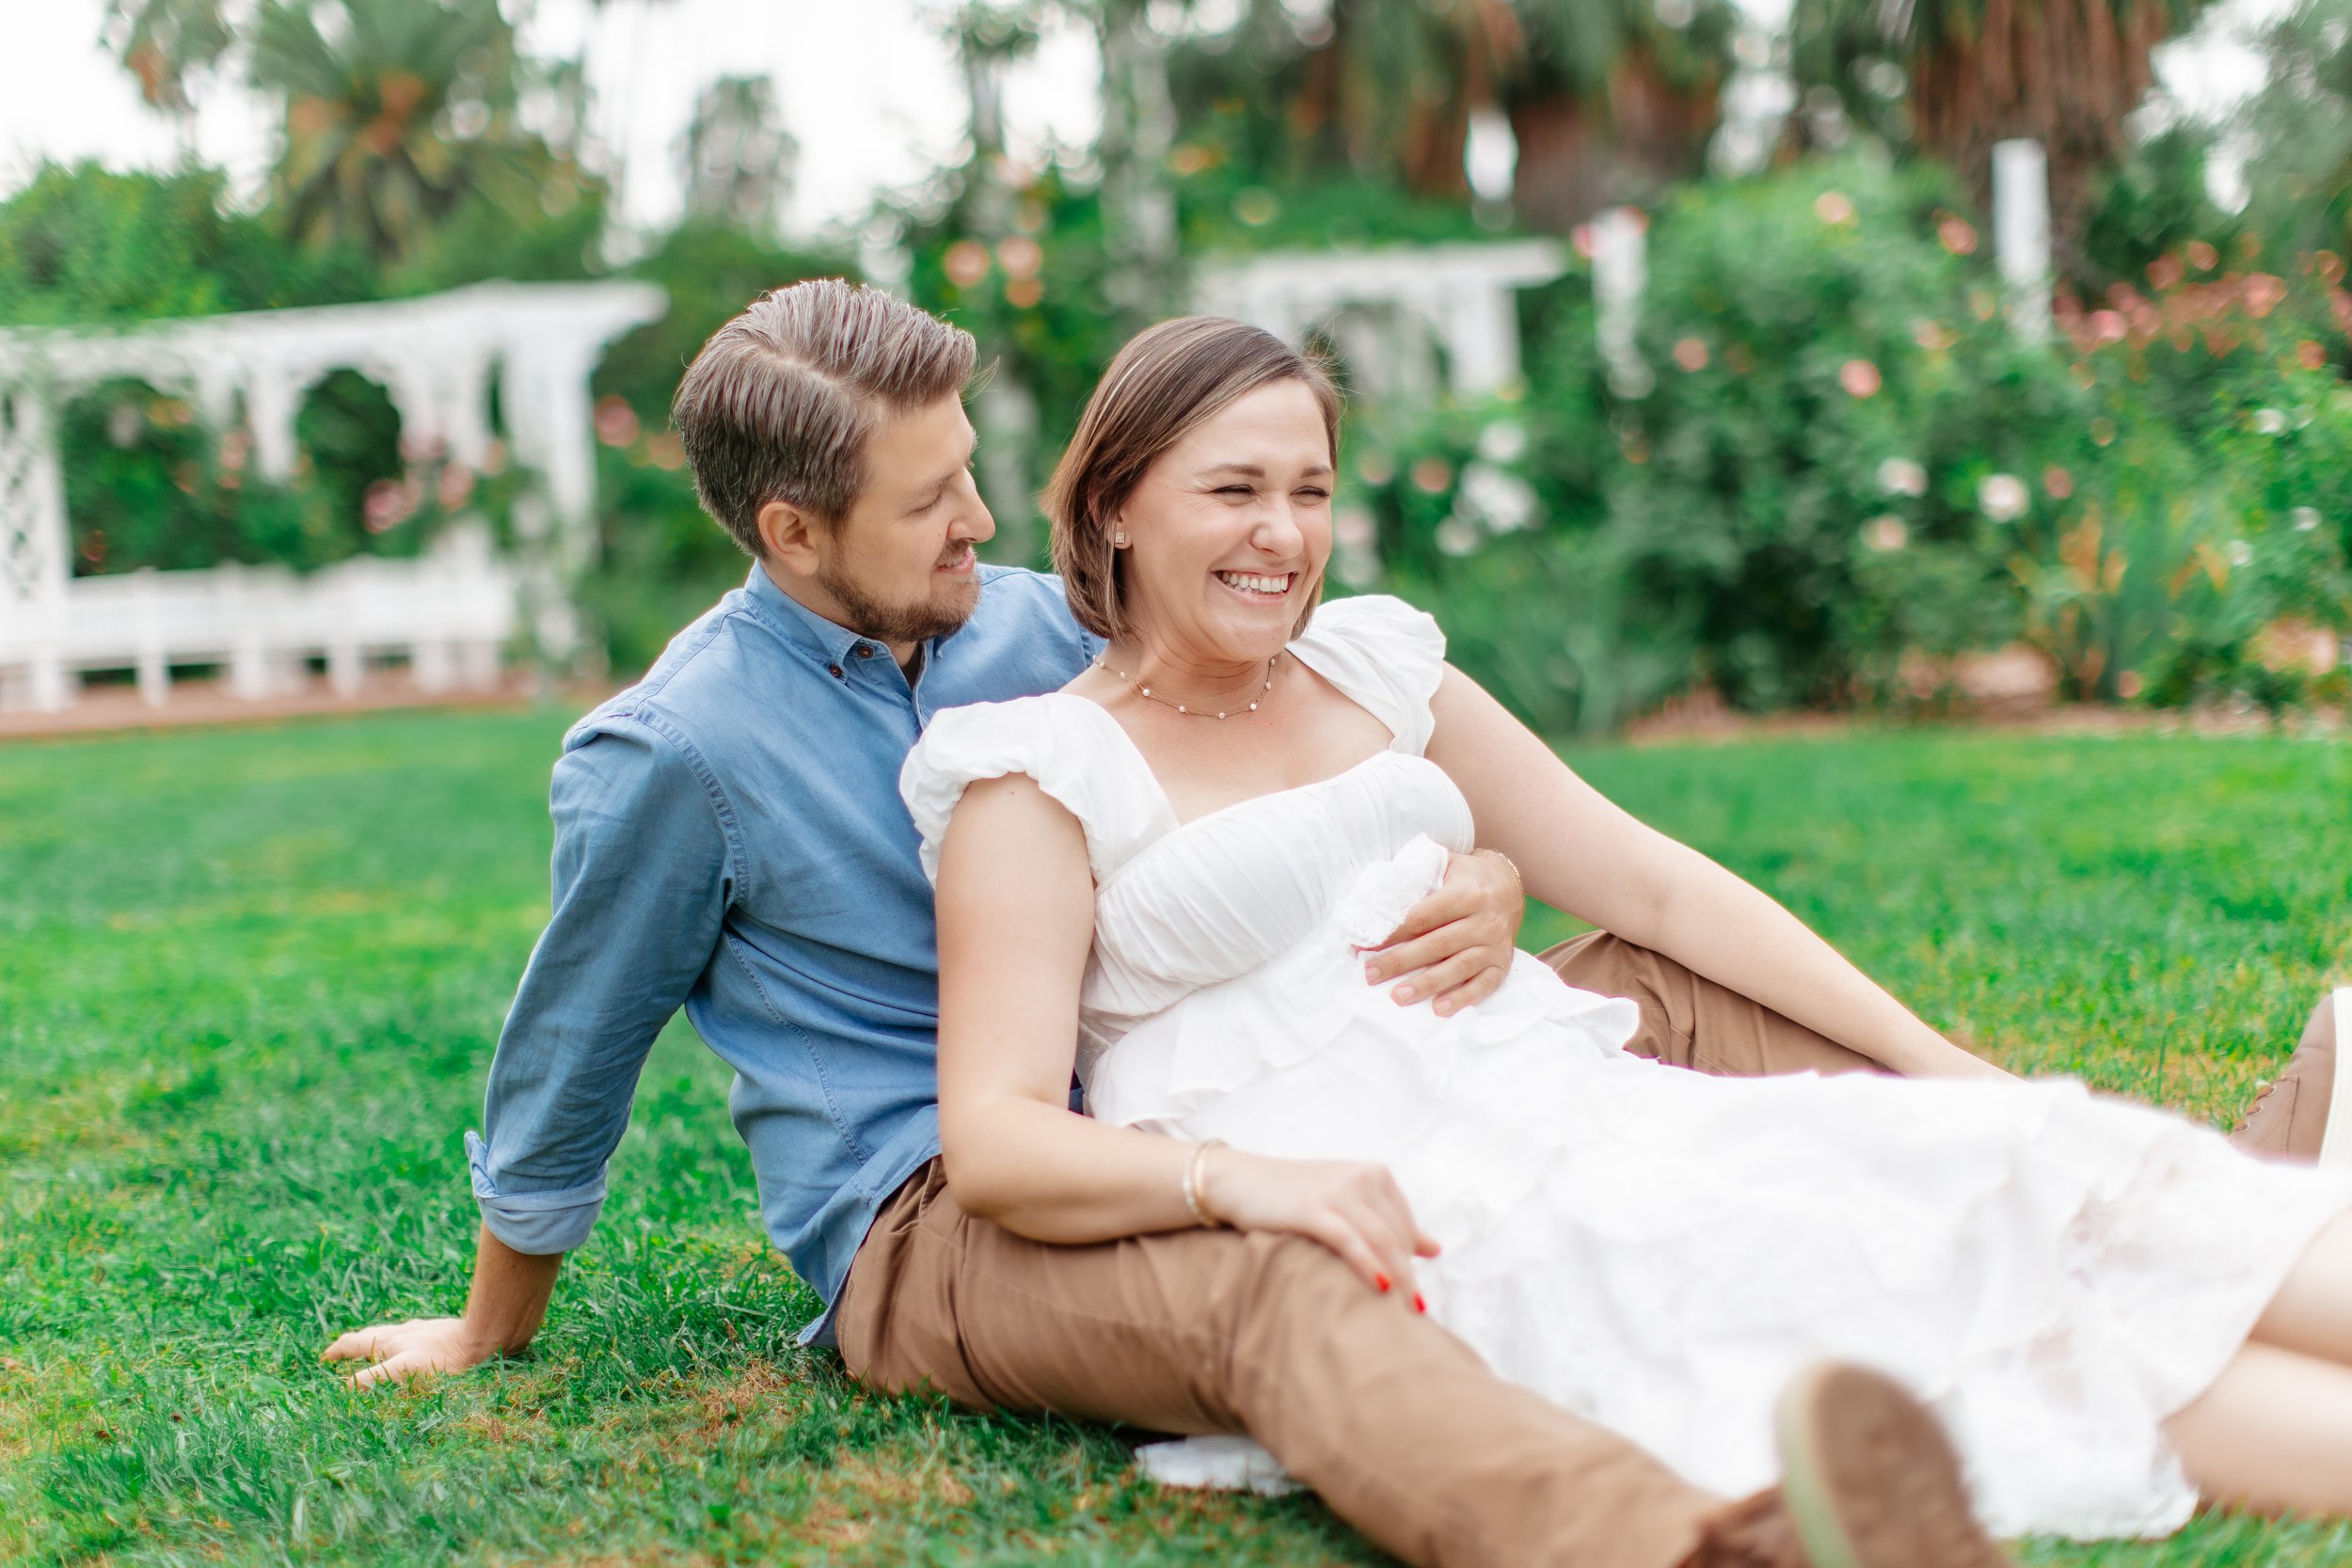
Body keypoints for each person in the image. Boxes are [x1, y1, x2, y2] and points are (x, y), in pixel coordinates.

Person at [318, 281, 2302, 1568]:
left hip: (1223, 1061)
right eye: (927, 505)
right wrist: (495, 1328)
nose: (979, 522)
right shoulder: (673, 753)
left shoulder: (1020, 624)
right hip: (941, 1203)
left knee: (1648, 983)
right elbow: (573, 1047)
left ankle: (2132, 1196)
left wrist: (1481, 876)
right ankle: (1702, 1545)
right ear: (790, 533)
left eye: (976, 475)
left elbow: (1256, 764)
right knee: (1287, 1285)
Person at [897, 313, 2352, 1549]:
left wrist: (1947, 1064)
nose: (1282, 534)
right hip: (1447, 1210)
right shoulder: (1035, 772)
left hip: (1578, 1104)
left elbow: (1653, 888)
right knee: (1948, 1325)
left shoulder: (1374, 666)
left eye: (1310, 490)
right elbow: (1000, 1137)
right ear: (1114, 506)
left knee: (2013, 1174)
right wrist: (1240, 1184)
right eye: (1233, 490)